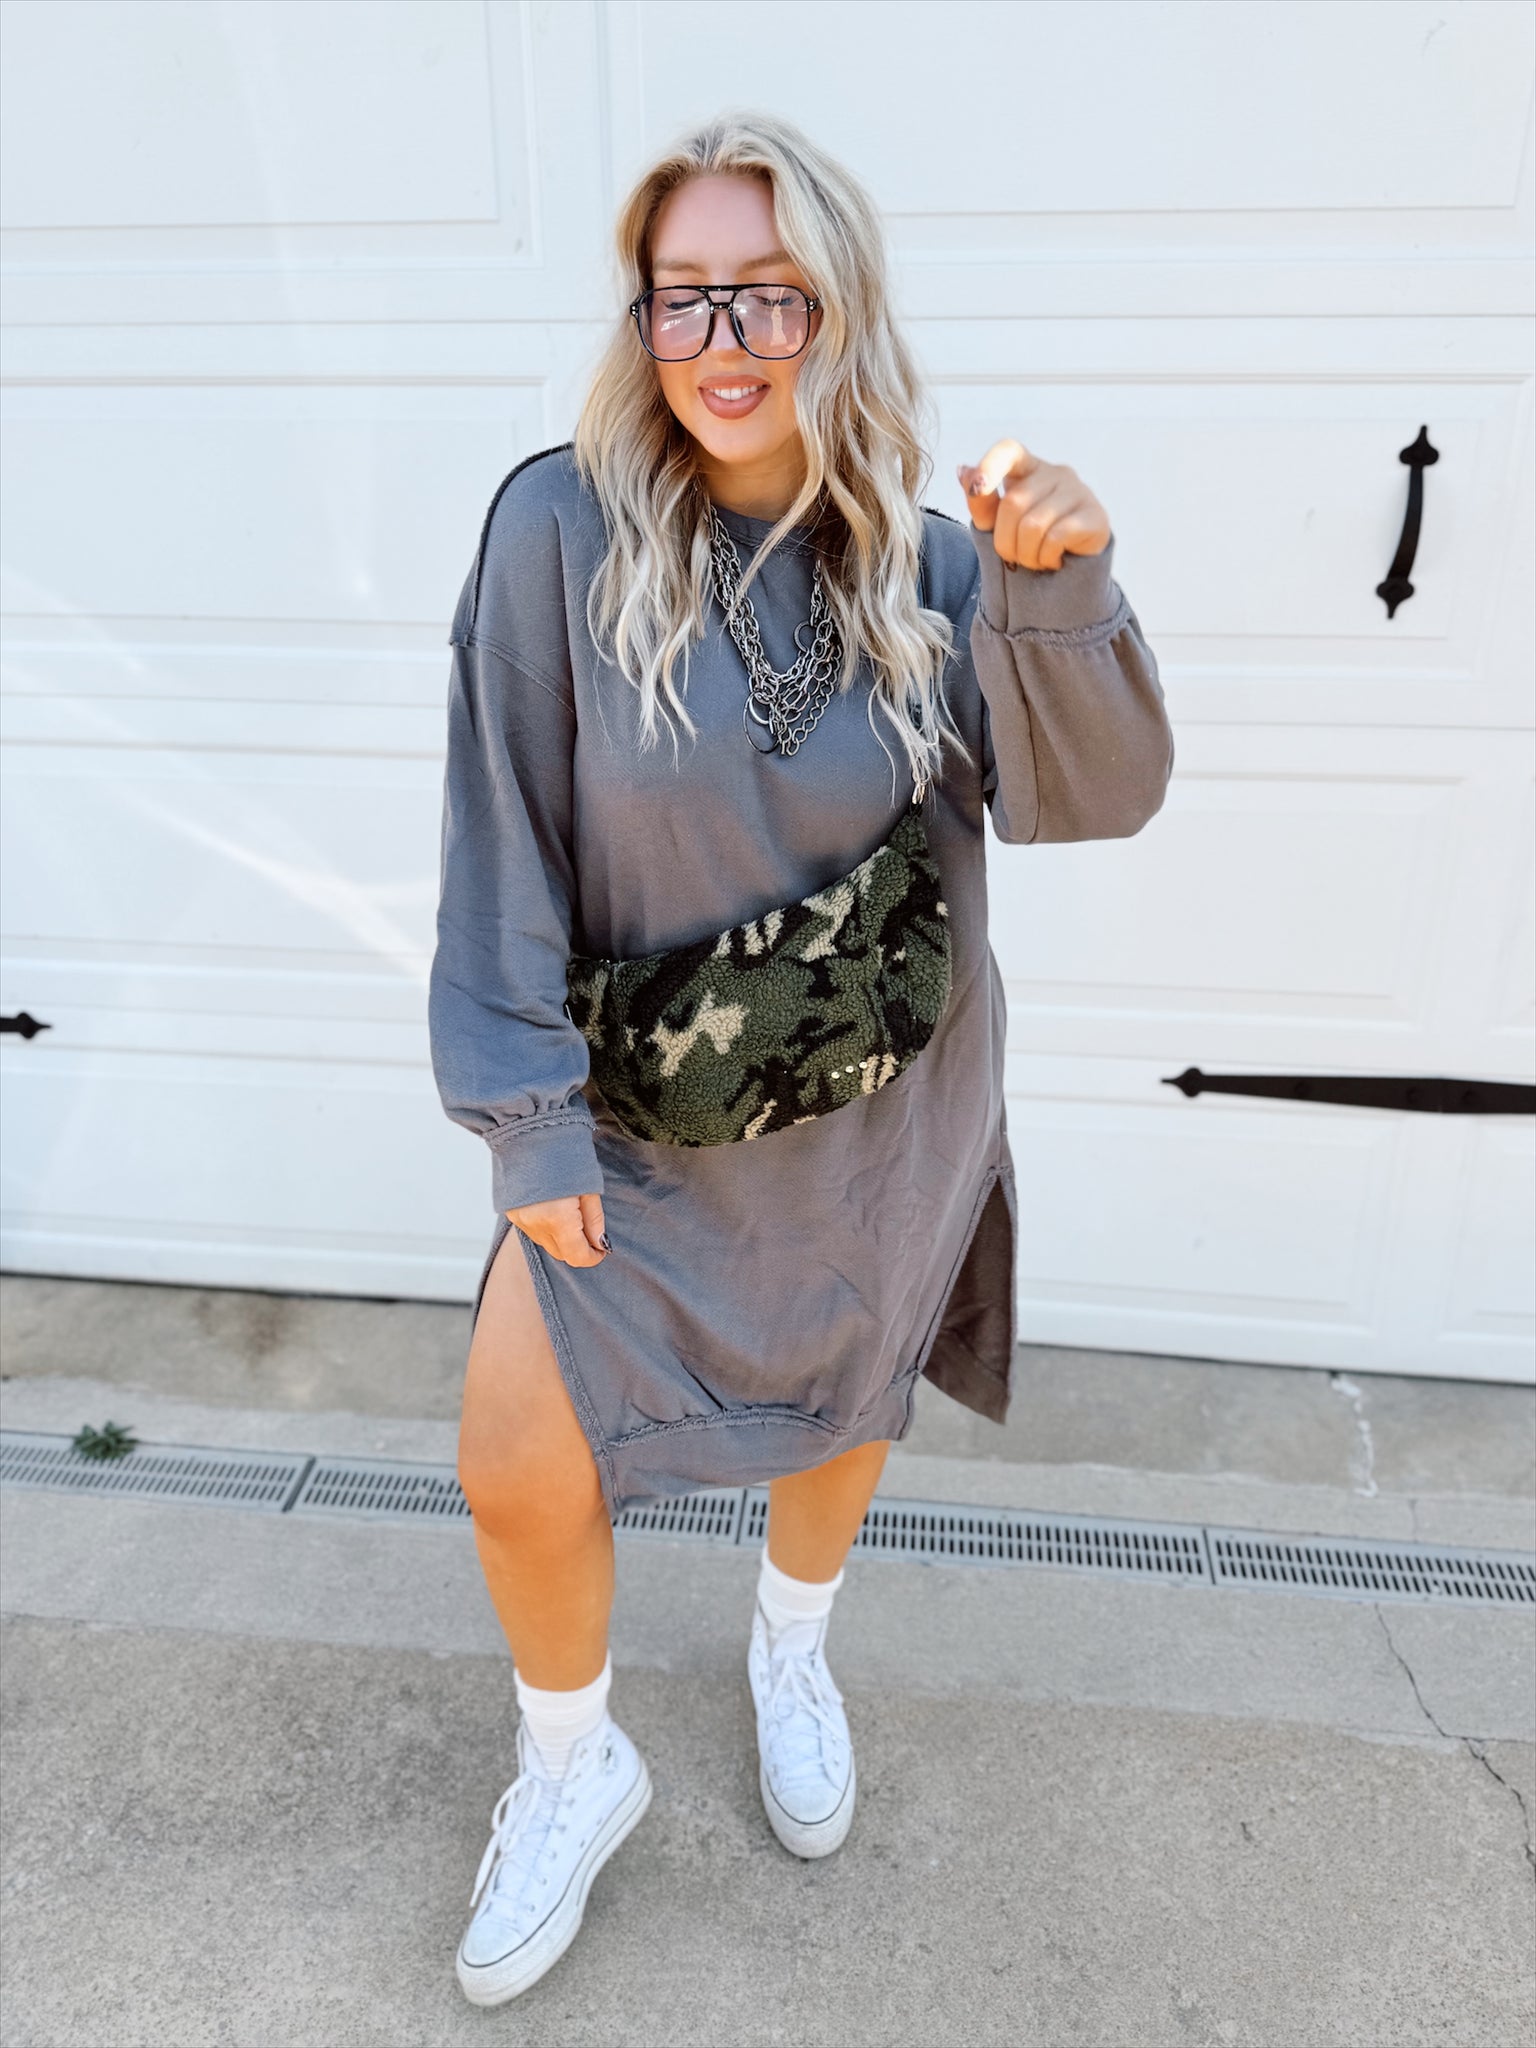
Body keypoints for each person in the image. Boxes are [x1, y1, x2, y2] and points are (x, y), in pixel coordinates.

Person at [428, 110, 1174, 2007]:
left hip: (883, 1122)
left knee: (842, 1411)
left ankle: (789, 1644)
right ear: (643, 320)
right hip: (639, 1121)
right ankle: (573, 1766)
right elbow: (498, 834)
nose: (724, 338)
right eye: (683, 297)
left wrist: (1066, 583)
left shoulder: (937, 569)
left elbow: (1097, 797)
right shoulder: (558, 532)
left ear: (838, 309)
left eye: (768, 292)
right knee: (516, 1460)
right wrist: (525, 1122)